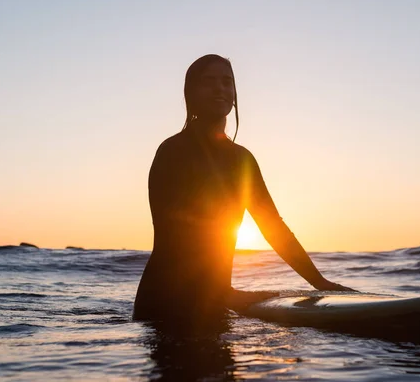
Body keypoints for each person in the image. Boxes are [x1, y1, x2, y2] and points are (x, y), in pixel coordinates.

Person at [133, 54, 355, 323]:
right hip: (166, 300)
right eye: (209, 82)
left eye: (227, 82)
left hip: (211, 301)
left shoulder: (241, 159)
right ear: (190, 93)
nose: (220, 89)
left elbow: (272, 225)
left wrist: (320, 282)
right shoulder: (173, 152)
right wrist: (219, 293)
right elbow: (176, 234)